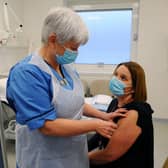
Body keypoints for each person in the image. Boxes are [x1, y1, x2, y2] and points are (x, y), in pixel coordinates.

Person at [6, 7, 126, 168]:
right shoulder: (27, 73)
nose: (76, 53)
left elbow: (75, 102)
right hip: (43, 159)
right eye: (73, 47)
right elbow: (47, 126)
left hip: (73, 154)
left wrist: (103, 116)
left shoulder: (66, 66)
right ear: (53, 39)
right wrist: (95, 125)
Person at [88, 61, 154, 168]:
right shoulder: (114, 103)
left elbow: (109, 155)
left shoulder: (134, 112)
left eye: (123, 78)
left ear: (133, 88)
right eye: (116, 74)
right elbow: (102, 133)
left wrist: (82, 158)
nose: (116, 80)